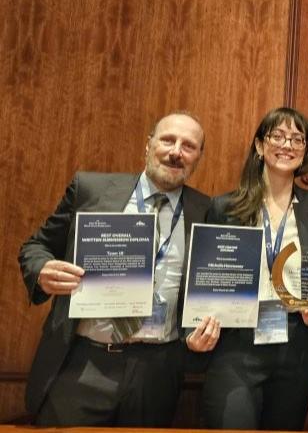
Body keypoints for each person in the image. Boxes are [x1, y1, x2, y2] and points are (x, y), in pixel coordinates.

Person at [18, 112, 211, 427]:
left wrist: (197, 333)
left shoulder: (207, 211)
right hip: (83, 364)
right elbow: (35, 246)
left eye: (189, 146)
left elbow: (205, 292)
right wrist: (42, 270)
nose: (177, 151)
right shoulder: (90, 189)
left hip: (156, 373)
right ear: (147, 145)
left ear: (198, 159)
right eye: (168, 140)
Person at [191, 107, 308, 430]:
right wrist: (193, 331)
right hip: (237, 343)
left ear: (305, 150)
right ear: (259, 145)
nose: (288, 145)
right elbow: (206, 276)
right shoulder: (225, 207)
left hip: (297, 345)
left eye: (297, 139)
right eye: (278, 136)